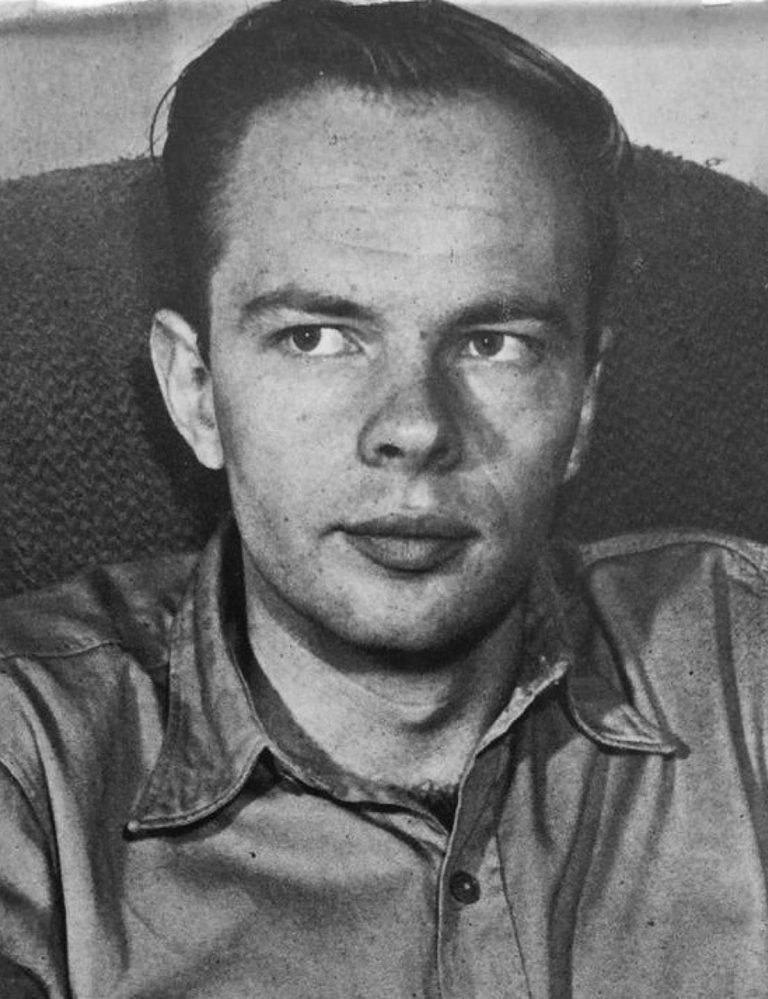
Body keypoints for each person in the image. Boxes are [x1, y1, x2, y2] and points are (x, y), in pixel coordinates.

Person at [1, 0, 767, 995]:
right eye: (317, 337)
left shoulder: (745, 666)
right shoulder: (29, 755)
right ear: (195, 391)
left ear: (582, 403)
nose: (413, 427)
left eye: (493, 343)